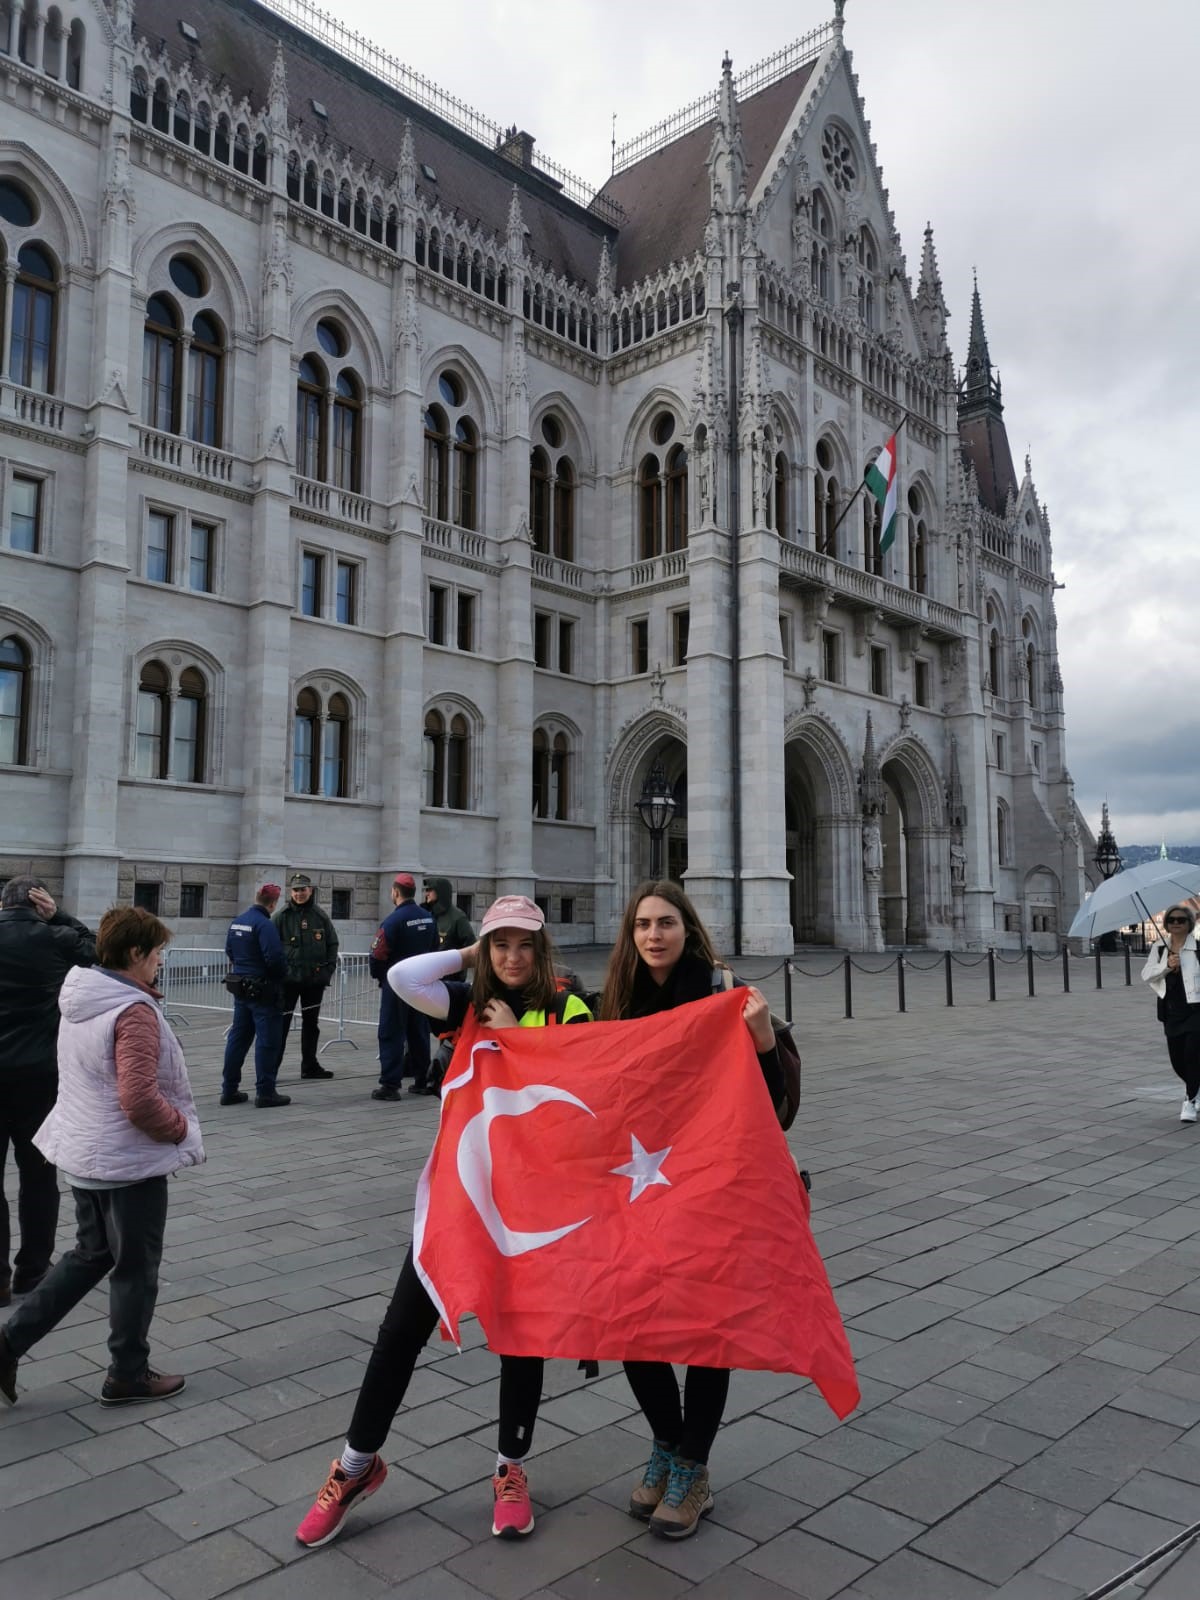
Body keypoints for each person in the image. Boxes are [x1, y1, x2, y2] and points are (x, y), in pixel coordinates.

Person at [295, 894, 590, 1549]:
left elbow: (581, 1093)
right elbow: (403, 977)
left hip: (533, 1208)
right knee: (401, 1330)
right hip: (463, 1200)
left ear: (541, 950)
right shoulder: (465, 1003)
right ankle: (354, 1466)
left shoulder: (570, 1006)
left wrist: (513, 1032)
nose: (511, 956)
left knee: (521, 1337)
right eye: (500, 944)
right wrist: (468, 952)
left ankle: (509, 1469)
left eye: (523, 944)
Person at [598, 879, 784, 1540]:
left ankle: (693, 1469)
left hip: (709, 1188)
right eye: (643, 924)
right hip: (637, 1188)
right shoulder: (613, 1001)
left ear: (688, 928)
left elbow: (777, 1108)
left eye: (666, 923)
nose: (653, 936)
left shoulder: (722, 995)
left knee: (707, 1327)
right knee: (631, 1322)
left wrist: (762, 1039)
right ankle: (671, 1444)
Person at [0, 904, 204, 1408]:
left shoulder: (82, 996)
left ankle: (6, 1345)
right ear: (135, 954)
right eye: (157, 952)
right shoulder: (130, 1010)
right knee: (135, 1267)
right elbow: (138, 1098)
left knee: (90, 1255)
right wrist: (178, 1128)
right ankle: (127, 1373)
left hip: (90, 1151)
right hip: (125, 1160)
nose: (160, 961)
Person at [0, 877, 95, 1308]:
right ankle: (33, 1271)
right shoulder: (56, 937)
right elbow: (98, 948)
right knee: (38, 1175)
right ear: (39, 904)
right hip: (39, 1075)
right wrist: (59, 915)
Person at [368, 874, 439, 1100]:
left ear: (396, 892)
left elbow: (378, 955)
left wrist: (381, 978)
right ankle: (422, 1080)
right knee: (418, 1032)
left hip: (397, 985)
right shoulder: (428, 918)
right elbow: (435, 948)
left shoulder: (392, 921)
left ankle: (390, 1085)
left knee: (391, 1032)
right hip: (420, 984)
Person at [221, 884, 289, 1108]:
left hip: (241, 986)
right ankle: (266, 1092)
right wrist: (278, 977)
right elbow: (276, 958)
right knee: (267, 1041)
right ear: (272, 904)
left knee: (238, 1039)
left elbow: (229, 950)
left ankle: (229, 1090)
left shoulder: (238, 921)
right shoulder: (264, 924)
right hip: (263, 990)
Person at [274, 873, 339, 1081]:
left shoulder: (320, 916)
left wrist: (327, 970)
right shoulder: (281, 917)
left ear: (310, 890)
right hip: (288, 982)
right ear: (290, 892)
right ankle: (271, 1068)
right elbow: (270, 947)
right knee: (280, 1025)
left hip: (313, 981)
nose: (299, 894)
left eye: (303, 889)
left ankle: (309, 1065)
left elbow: (332, 943)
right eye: (295, 890)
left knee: (311, 1024)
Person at [1142, 904, 1200, 1122]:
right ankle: (1196, 1087)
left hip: (1196, 1009)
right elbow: (1147, 975)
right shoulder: (1159, 948)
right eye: (1172, 920)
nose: (1176, 923)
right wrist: (1166, 965)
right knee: (1177, 1060)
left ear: (1189, 924)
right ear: (1166, 924)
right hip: (1171, 1011)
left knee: (1192, 1054)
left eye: (1181, 920)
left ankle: (1189, 1102)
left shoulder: (1197, 948)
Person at [423, 876, 475, 950]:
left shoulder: (458, 917)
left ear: (440, 891)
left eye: (430, 890)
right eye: (426, 890)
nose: (426, 894)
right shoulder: (428, 914)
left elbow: (471, 946)